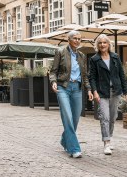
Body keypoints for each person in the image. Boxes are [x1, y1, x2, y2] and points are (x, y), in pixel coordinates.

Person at [50, 30, 93, 158]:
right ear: (68, 39)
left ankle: (64, 140)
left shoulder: (82, 56)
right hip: (63, 87)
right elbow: (53, 71)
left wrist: (89, 89)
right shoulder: (60, 52)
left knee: (75, 119)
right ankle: (74, 148)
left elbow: (84, 76)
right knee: (67, 117)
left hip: (77, 89)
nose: (77, 41)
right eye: (75, 38)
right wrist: (53, 82)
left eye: (79, 39)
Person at [89, 34, 127, 155]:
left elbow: (121, 75)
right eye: (100, 43)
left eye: (104, 42)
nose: (102, 45)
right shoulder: (94, 59)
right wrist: (94, 91)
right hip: (102, 92)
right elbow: (92, 77)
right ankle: (106, 142)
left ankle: (109, 137)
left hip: (116, 91)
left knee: (113, 117)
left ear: (108, 44)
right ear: (97, 45)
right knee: (104, 117)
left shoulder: (115, 57)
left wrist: (126, 91)